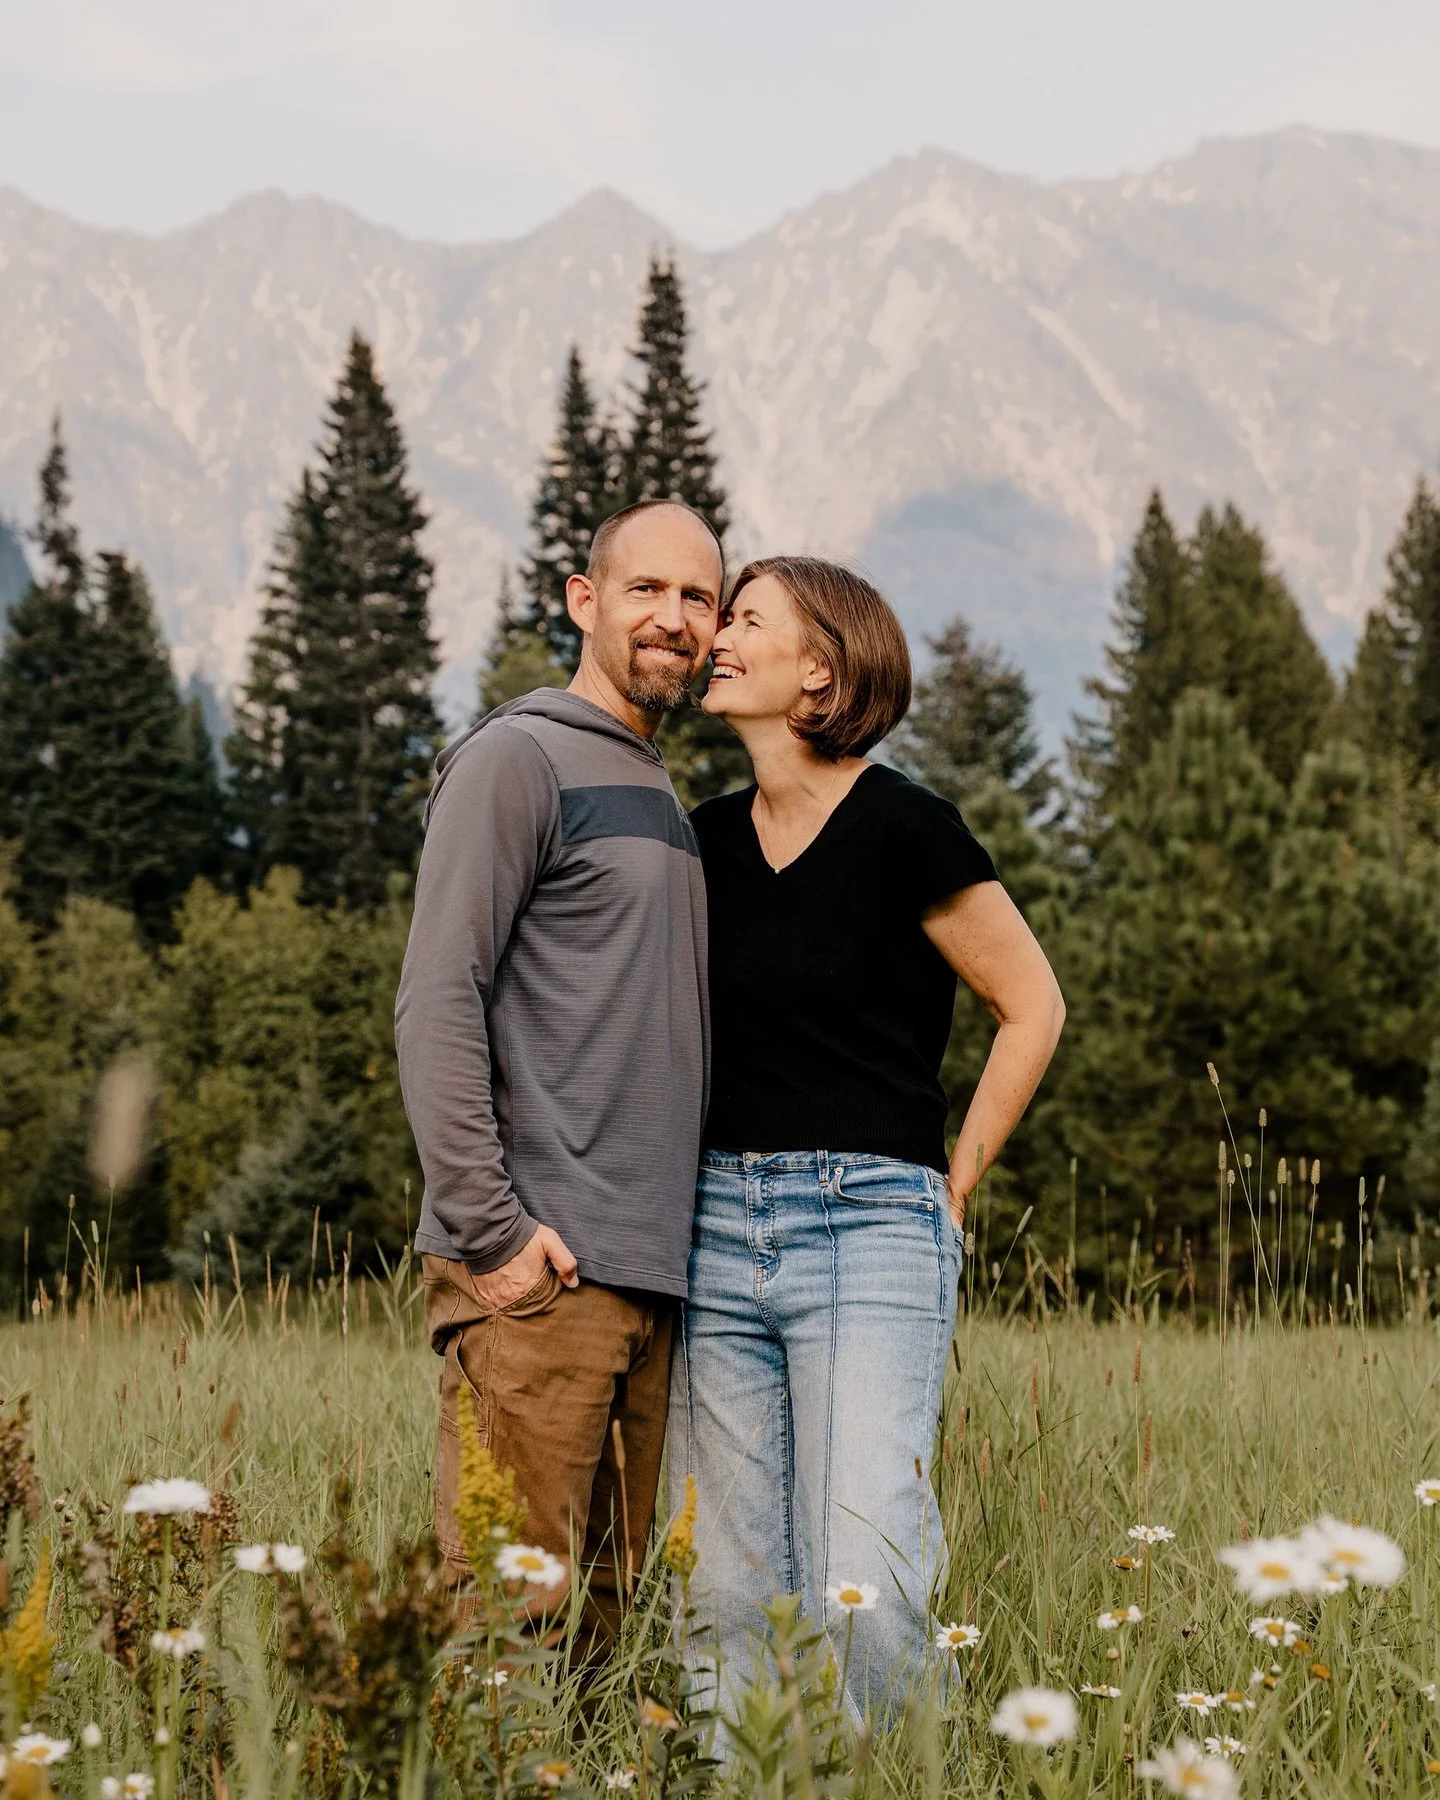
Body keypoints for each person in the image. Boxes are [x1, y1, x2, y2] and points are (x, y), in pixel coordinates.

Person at [669, 556, 1065, 1720]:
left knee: (865, 1569)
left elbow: (1032, 1006)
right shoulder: (699, 845)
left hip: (870, 1227)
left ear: (820, 670)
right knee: (729, 1589)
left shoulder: (908, 829)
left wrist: (957, 1184)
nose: (717, 637)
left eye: (746, 620)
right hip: (710, 1226)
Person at [395, 499, 723, 1637]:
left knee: (605, 1647)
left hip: (650, 1282)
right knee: (500, 1629)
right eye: (646, 590)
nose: (672, 619)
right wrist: (488, 1229)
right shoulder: (517, 757)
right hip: (543, 1277)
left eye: (696, 598)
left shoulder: (656, 785)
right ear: (585, 601)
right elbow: (437, 997)